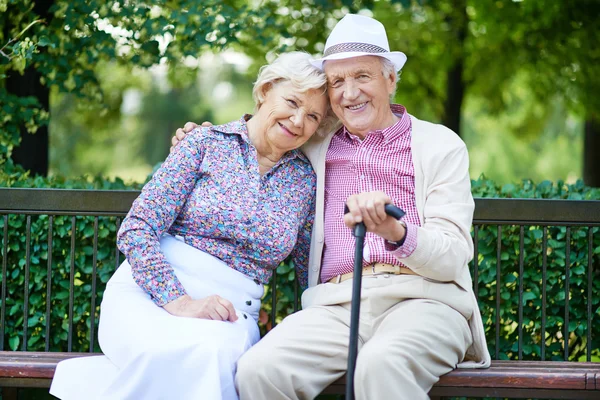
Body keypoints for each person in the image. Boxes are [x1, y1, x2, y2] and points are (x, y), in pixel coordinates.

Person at [172, 14, 491, 400]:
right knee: (259, 371)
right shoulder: (314, 143)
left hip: (424, 301)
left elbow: (453, 255)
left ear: (391, 79)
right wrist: (201, 138)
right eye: (337, 82)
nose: (349, 93)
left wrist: (397, 232)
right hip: (335, 305)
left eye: (362, 76)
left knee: (381, 364)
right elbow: (265, 127)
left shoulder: (440, 145)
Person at [49, 51, 336, 400]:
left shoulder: (305, 180)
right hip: (148, 296)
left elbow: (310, 270)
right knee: (167, 355)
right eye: (291, 101)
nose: (297, 120)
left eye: (312, 116)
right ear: (265, 90)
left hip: (228, 316)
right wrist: (179, 300)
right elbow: (138, 227)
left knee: (212, 354)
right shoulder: (204, 143)